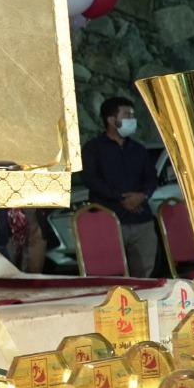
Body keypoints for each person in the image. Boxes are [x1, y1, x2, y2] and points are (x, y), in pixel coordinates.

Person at [81, 96, 157, 278]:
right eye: (127, 115)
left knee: (144, 276)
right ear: (111, 120)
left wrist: (142, 195)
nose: (132, 119)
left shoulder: (139, 149)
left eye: (132, 115)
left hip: (141, 220)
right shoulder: (93, 149)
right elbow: (90, 179)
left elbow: (151, 177)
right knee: (111, 275)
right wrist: (121, 198)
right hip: (109, 220)